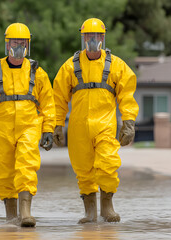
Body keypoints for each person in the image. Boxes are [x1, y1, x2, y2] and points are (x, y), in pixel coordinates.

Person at [0, 23, 55, 227]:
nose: (18, 46)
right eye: (15, 42)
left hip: (29, 126)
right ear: (7, 44)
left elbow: (48, 103)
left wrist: (49, 129)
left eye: (22, 43)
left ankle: (25, 214)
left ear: (28, 45)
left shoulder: (37, 72)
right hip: (1, 127)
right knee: (4, 171)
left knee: (27, 164)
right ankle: (11, 217)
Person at [53, 18, 139, 223]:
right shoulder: (70, 66)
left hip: (105, 125)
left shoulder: (117, 65)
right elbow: (58, 98)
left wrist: (128, 122)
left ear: (103, 37)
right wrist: (56, 125)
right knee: (83, 169)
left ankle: (107, 208)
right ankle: (90, 212)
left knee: (108, 164)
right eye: (88, 37)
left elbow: (127, 94)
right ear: (83, 38)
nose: (93, 40)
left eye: (97, 36)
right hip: (78, 127)